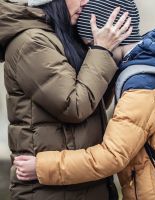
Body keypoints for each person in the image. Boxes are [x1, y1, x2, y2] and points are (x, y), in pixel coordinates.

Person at [13, 0, 155, 200]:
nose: (93, 52)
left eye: (92, 45)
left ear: (113, 36)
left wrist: (42, 166)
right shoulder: (152, 67)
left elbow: (111, 157)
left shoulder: (141, 86)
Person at [0, 0, 133, 199]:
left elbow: (95, 103)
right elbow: (75, 105)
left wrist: (111, 55)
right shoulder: (31, 42)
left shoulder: (58, 35)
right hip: (51, 191)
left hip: (78, 184)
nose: (85, 2)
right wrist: (102, 51)